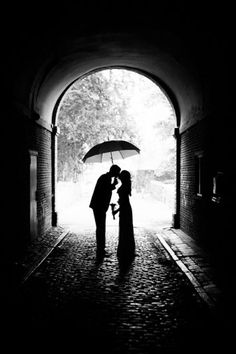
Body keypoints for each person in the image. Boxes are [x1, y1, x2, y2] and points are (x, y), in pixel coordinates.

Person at [89, 164, 121, 256]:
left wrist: (112, 185)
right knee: (101, 228)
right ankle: (100, 249)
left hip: (100, 206)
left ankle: (101, 248)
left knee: (101, 227)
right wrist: (113, 185)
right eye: (117, 172)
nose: (118, 175)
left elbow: (106, 189)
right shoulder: (105, 178)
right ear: (114, 171)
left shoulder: (106, 178)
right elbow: (104, 191)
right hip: (99, 206)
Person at [112, 170, 135, 260]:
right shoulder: (125, 186)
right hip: (126, 209)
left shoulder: (124, 187)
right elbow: (123, 201)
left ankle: (125, 251)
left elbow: (124, 203)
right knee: (126, 230)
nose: (119, 176)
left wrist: (116, 211)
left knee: (124, 230)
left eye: (120, 175)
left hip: (125, 210)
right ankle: (127, 250)